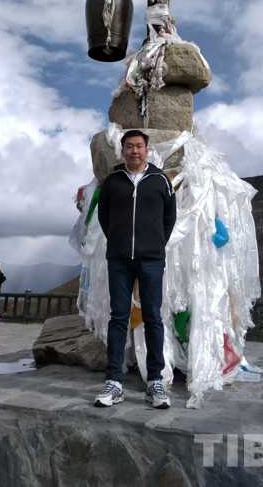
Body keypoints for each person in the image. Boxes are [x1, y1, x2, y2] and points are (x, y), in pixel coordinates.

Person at [94, 129, 176, 409]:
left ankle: (155, 381)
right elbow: (104, 216)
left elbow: (169, 217)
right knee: (118, 317)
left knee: (153, 317)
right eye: (129, 146)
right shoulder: (112, 181)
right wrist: (118, 240)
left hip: (151, 259)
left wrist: (156, 243)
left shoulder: (160, 180)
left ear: (147, 150)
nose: (134, 151)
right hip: (119, 260)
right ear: (123, 151)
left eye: (139, 146)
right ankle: (113, 382)